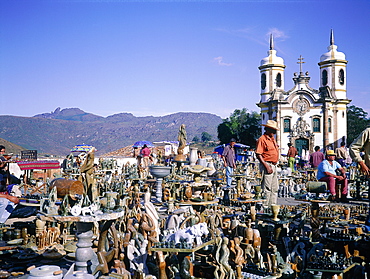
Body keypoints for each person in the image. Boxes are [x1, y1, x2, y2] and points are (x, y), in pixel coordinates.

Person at [255, 120, 279, 207]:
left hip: (274, 165)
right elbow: (258, 154)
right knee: (267, 188)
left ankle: (273, 207)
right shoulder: (262, 139)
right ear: (267, 130)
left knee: (274, 188)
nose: (274, 133)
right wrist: (266, 166)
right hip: (267, 164)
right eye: (273, 131)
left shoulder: (272, 139)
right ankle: (265, 207)